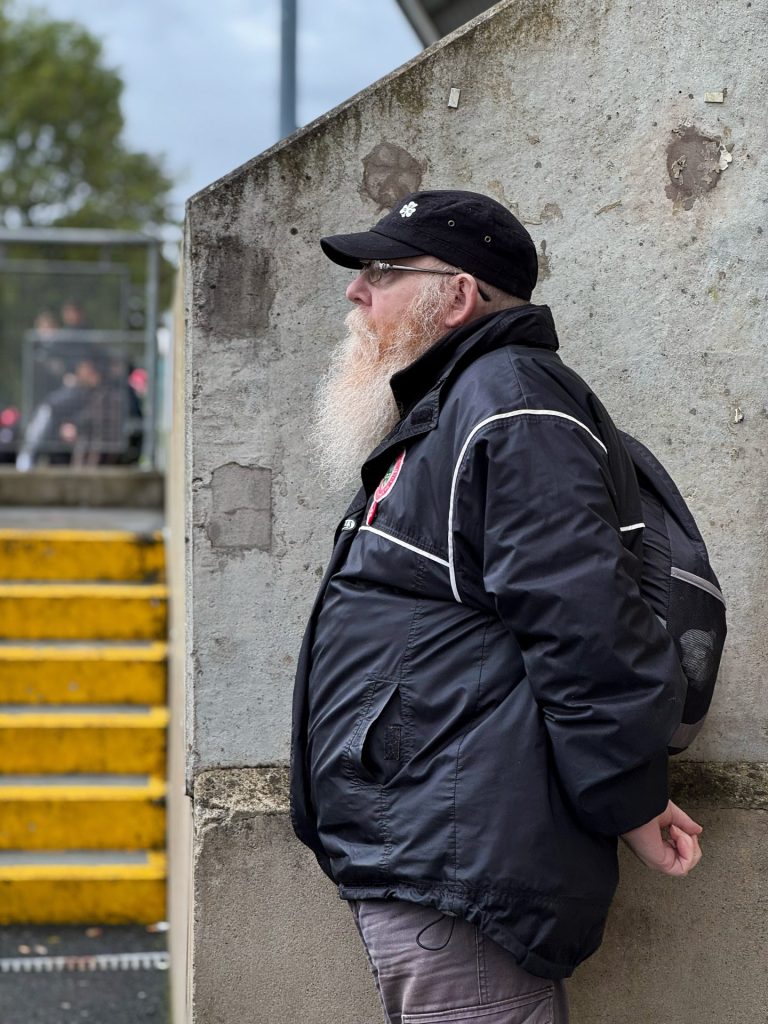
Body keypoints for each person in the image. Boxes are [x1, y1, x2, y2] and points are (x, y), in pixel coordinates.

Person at [290, 190, 703, 1023]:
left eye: (381, 271)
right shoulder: (464, 405)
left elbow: (582, 621)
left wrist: (629, 797)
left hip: (459, 867)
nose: (355, 292)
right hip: (434, 852)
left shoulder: (509, 404)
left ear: (459, 295)